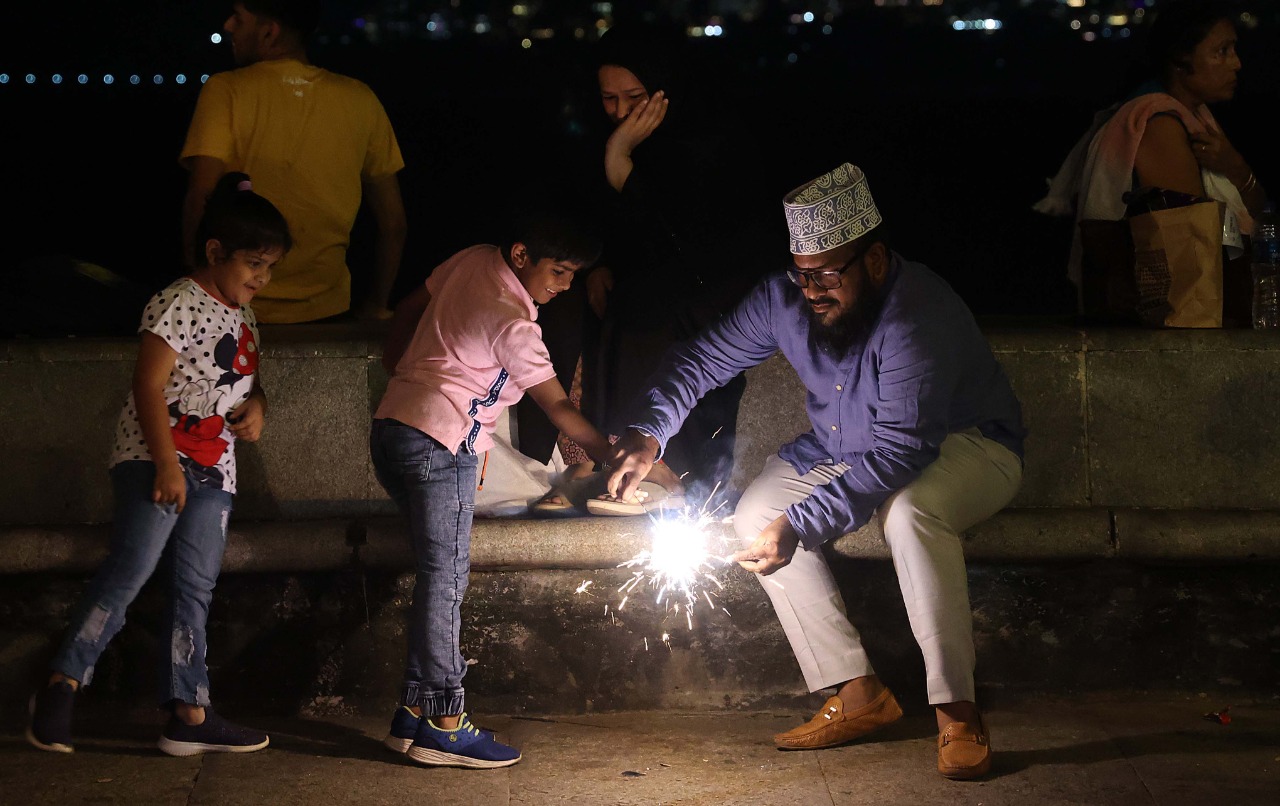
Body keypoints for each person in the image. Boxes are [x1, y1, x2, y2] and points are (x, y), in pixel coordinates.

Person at [606, 163, 1026, 780]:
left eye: (829, 273)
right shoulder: (785, 297)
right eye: (803, 274)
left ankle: (958, 711)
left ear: (875, 260)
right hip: (845, 444)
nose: (813, 291)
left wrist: (800, 523)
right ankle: (857, 691)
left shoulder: (916, 313)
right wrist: (649, 433)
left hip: (966, 446)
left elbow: (902, 452)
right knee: (753, 513)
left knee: (910, 515)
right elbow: (701, 361)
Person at [26, 172, 290, 756]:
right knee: (131, 569)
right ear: (215, 252)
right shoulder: (177, 300)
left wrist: (259, 405)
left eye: (270, 267)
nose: (262, 278)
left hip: (217, 466)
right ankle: (61, 684)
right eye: (253, 263)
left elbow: (241, 382)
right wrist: (167, 465)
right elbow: (148, 385)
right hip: (155, 456)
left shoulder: (244, 317)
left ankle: (189, 711)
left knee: (195, 587)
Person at [371, 207, 619, 769]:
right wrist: (617, 456)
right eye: (558, 271)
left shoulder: (473, 259)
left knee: (438, 575)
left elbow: (410, 307)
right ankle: (445, 720)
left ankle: (412, 713)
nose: (565, 286)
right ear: (521, 255)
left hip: (393, 430)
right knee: (446, 580)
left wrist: (403, 374)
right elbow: (557, 406)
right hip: (438, 442)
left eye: (574, 275)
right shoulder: (514, 324)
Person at [544, 20, 776, 516]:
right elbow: (599, 225)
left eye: (636, 95)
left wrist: (623, 164)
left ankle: (661, 464)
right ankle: (577, 461)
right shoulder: (591, 139)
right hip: (643, 277)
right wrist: (599, 265)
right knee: (563, 304)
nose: (622, 111)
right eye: (609, 99)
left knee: (643, 310)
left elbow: (692, 238)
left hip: (710, 284)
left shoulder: (710, 141)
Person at [180, 0, 407, 324]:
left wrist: (197, 297)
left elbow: (199, 200)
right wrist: (376, 304)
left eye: (239, 19)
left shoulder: (225, 90)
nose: (228, 26)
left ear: (269, 32)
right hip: (329, 310)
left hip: (235, 307)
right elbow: (394, 225)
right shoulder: (361, 99)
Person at [1036, 0, 1264, 311]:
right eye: (1222, 51)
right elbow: (1194, 242)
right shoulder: (1160, 124)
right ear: (1181, 60)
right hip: (1169, 320)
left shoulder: (1196, 119)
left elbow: (1251, 213)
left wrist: (1235, 166)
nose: (1236, 63)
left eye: (1233, 50)